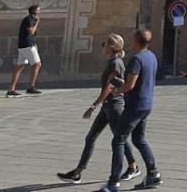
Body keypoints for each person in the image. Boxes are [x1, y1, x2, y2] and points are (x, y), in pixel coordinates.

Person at [57, 35, 140, 184]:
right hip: (108, 106)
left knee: (119, 139)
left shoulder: (115, 64)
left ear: (111, 47)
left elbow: (109, 87)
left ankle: (133, 166)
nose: (102, 47)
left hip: (114, 106)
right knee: (92, 138)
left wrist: (93, 106)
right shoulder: (114, 62)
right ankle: (77, 173)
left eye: (104, 44)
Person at [101, 29, 162, 192]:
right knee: (139, 139)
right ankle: (153, 174)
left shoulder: (136, 59)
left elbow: (130, 85)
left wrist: (116, 90)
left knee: (118, 140)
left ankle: (113, 182)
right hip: (147, 104)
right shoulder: (151, 56)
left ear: (136, 41)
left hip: (134, 105)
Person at [7, 3, 42, 96]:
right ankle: (31, 87)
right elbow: (31, 32)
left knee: (20, 67)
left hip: (25, 46)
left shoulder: (30, 19)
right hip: (27, 45)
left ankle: (11, 89)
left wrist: (35, 45)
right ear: (34, 11)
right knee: (37, 64)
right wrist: (37, 22)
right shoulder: (29, 19)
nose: (39, 12)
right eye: (38, 10)